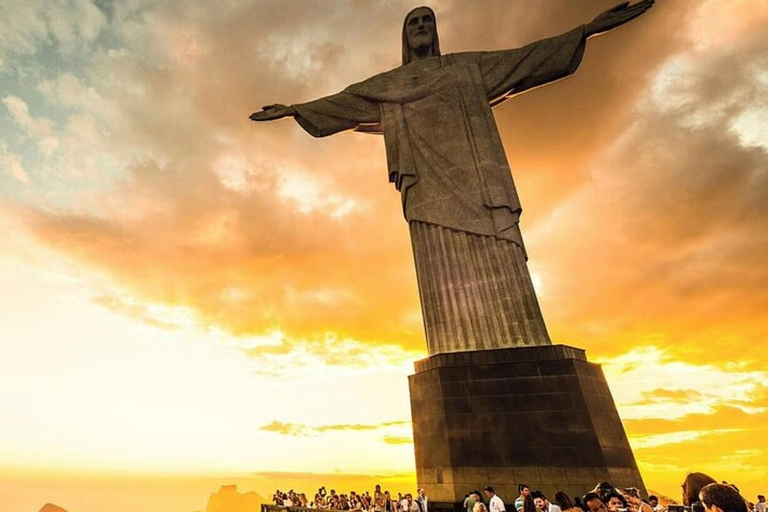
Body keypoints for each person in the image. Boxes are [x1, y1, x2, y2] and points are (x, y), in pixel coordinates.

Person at [250, 2, 654, 355]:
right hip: (427, 193)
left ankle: (524, 341)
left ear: (436, 30)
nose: (422, 26)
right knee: (443, 277)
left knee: (503, 260)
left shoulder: (467, 67)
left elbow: (527, 59)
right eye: (414, 22)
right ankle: (456, 346)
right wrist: (294, 109)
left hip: (481, 188)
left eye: (428, 20)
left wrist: (588, 29)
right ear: (406, 36)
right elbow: (344, 101)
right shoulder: (388, 84)